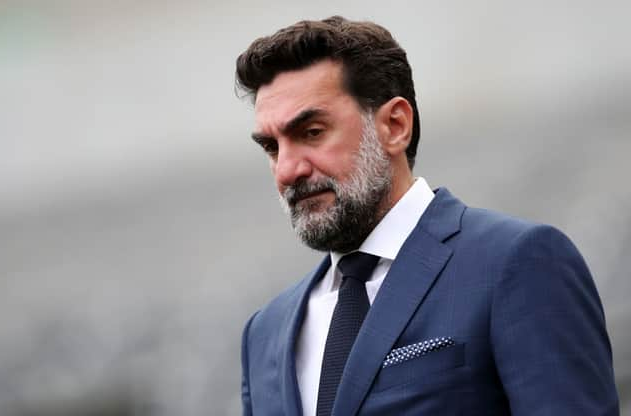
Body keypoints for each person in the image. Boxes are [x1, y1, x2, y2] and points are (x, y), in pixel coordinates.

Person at [235, 16, 619, 415]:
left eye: (312, 132)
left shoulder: (518, 262)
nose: (287, 170)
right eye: (272, 148)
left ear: (395, 126)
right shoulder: (265, 333)